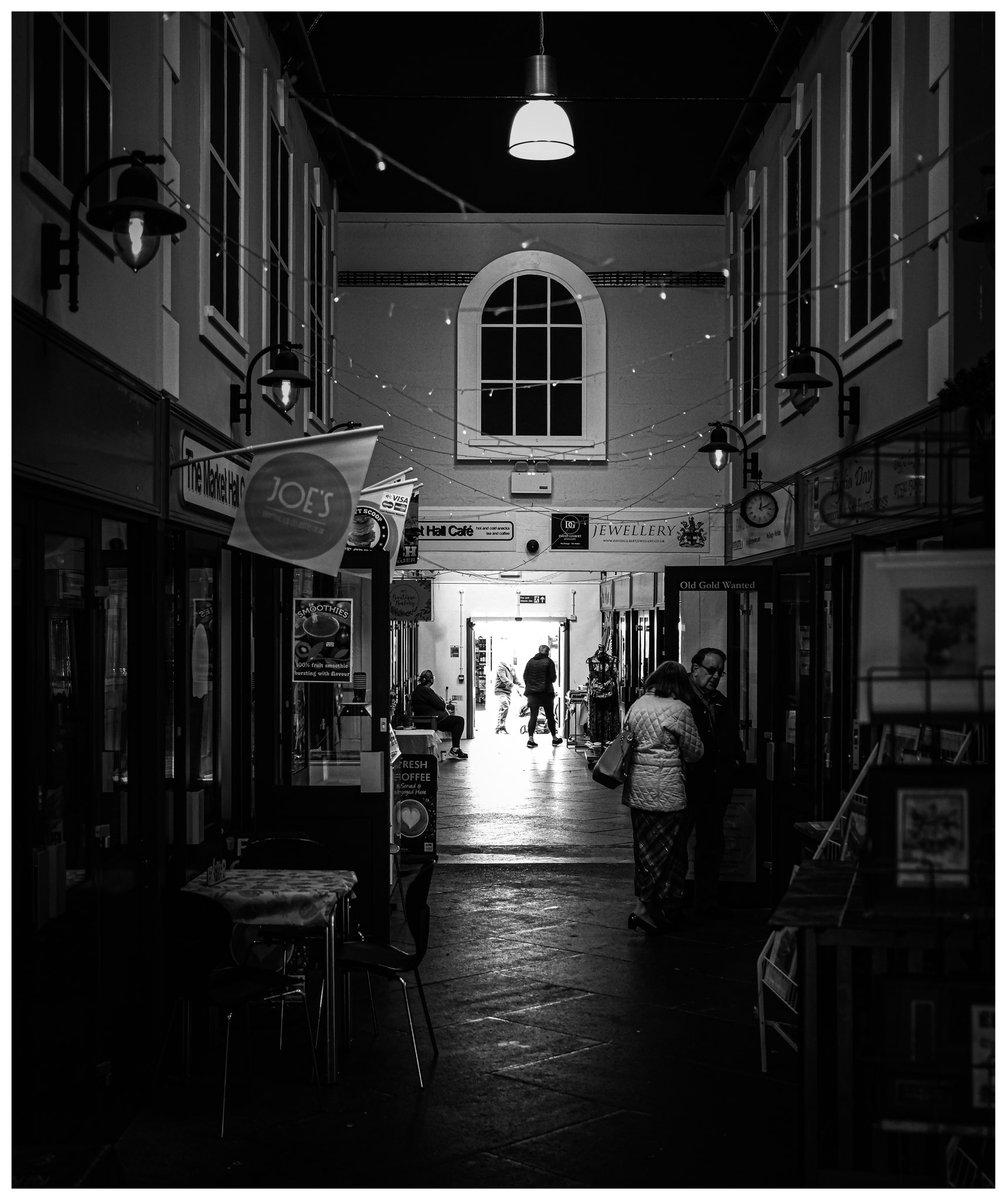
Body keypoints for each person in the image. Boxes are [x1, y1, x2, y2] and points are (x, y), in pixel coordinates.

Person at [622, 660, 704, 934]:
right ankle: (646, 908)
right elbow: (695, 753)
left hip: (637, 789)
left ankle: (649, 906)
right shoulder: (680, 709)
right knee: (667, 853)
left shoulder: (637, 705)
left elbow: (626, 740)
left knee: (645, 852)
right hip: (667, 792)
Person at [682, 647, 746, 919]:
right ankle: (676, 901)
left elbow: (732, 740)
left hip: (715, 787)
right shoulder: (681, 701)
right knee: (678, 844)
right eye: (711, 670)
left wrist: (736, 762)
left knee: (711, 845)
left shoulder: (721, 702)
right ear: (695, 668)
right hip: (687, 786)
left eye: (720, 671)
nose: (715, 676)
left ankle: (706, 902)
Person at [410, 669, 468, 760]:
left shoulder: (419, 690)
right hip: (434, 720)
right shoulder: (426, 690)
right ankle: (455, 750)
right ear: (431, 680)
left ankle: (455, 750)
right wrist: (441, 700)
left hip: (430, 719)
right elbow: (441, 705)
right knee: (459, 721)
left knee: (456, 721)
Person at [522, 644, 562, 749]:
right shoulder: (549, 662)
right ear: (548, 652)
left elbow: (525, 676)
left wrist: (530, 686)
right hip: (546, 694)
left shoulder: (530, 661)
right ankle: (554, 738)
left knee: (533, 716)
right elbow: (553, 678)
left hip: (532, 694)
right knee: (550, 716)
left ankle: (530, 740)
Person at [493, 659, 518, 734]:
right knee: (505, 705)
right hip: (500, 691)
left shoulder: (511, 668)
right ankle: (501, 725)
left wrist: (521, 685)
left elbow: (515, 679)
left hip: (508, 692)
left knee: (503, 708)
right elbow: (503, 678)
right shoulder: (500, 668)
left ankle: (499, 726)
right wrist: (511, 684)